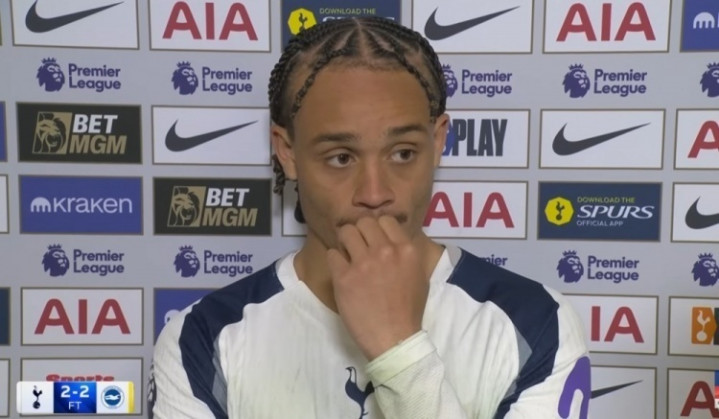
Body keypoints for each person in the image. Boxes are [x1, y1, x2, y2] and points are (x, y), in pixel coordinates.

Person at [149, 16, 591, 419]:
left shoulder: (536, 324)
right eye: (341, 158)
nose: (375, 194)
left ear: (438, 141)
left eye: (403, 153)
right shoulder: (203, 340)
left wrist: (399, 350)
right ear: (287, 152)